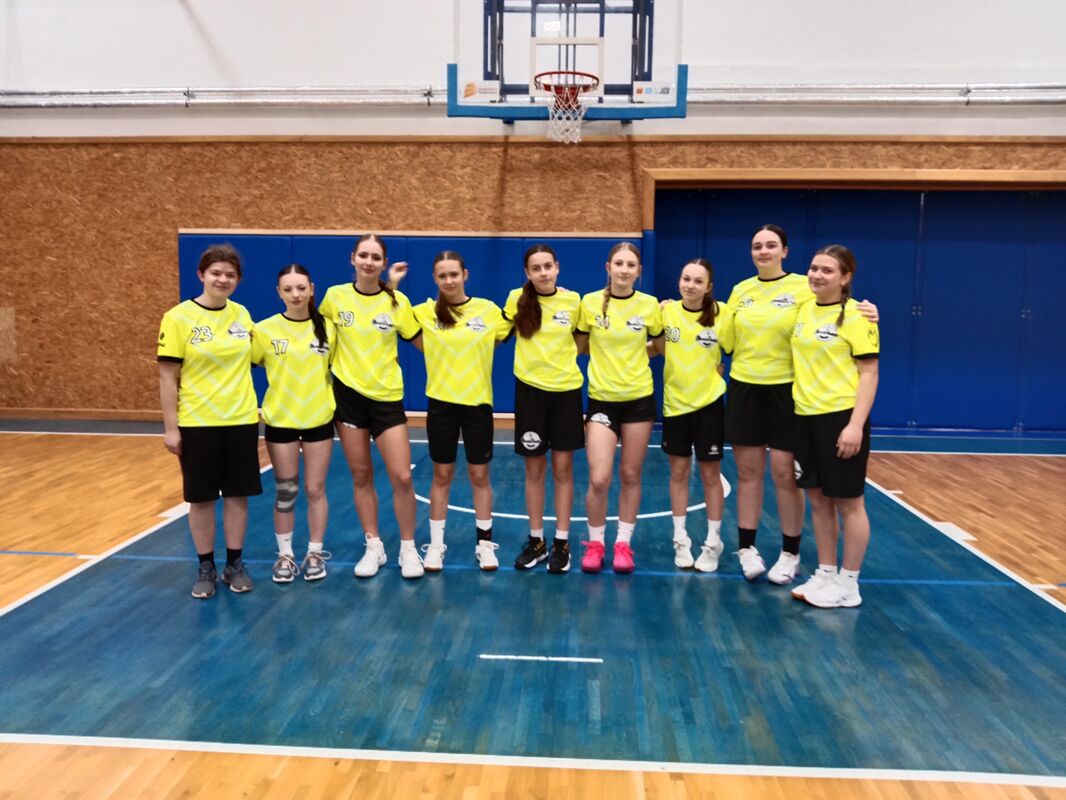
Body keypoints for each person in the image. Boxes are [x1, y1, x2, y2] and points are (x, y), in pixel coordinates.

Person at [725, 225, 877, 584]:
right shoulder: (740, 291)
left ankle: (790, 553)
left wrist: (869, 311)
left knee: (785, 475)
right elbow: (721, 333)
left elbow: (839, 307)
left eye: (771, 245)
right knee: (747, 473)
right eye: (757, 246)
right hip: (745, 387)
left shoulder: (804, 289)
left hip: (788, 392)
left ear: (785, 251)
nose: (763, 251)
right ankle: (747, 548)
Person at [318, 234, 425, 580]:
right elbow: (317, 339)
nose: (368, 261)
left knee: (402, 476)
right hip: (348, 398)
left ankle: (408, 548)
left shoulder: (397, 301)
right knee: (361, 474)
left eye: (375, 257)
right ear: (352, 258)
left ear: (383, 263)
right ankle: (373, 545)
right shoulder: (334, 297)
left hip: (386, 398)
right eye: (363, 255)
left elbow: (422, 342)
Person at [158, 243, 261, 598]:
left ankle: (235, 563)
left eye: (230, 275)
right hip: (197, 422)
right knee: (201, 499)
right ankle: (206, 566)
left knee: (237, 495)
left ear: (238, 280)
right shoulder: (177, 318)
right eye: (216, 273)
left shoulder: (242, 314)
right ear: (201, 275)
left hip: (241, 419)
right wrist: (171, 428)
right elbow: (167, 377)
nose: (223, 279)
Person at [789, 245, 879, 608]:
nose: (817, 275)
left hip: (840, 417)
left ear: (845, 278)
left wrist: (855, 425)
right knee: (817, 498)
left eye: (827, 270)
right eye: (813, 268)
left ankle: (849, 583)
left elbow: (869, 373)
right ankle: (826, 573)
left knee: (849, 502)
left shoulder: (858, 316)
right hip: (804, 415)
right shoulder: (803, 308)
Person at [409, 251, 510, 571]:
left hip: (478, 405)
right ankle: (436, 545)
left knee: (480, 475)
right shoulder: (424, 312)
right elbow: (387, 309)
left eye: (454, 274)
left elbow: (521, 315)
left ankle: (485, 544)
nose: (449, 280)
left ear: (465, 274)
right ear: (435, 279)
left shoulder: (488, 310)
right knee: (441, 474)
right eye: (442, 276)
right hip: (441, 406)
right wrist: (392, 282)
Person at [574, 242, 664, 574]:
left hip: (639, 399)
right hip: (602, 399)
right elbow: (579, 346)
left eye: (631, 265)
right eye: (619, 263)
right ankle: (595, 544)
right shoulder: (589, 303)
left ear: (639, 271)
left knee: (630, 474)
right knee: (599, 478)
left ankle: (623, 544)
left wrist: (638, 354)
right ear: (608, 267)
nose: (624, 269)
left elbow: (662, 346)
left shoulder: (650, 305)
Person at [251, 264, 335, 583]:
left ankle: (314, 552)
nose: (295, 294)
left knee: (315, 489)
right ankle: (285, 555)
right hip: (281, 422)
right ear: (279, 293)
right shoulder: (264, 330)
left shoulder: (328, 328)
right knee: (286, 491)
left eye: (301, 288)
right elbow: (244, 365)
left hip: (318, 420)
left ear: (312, 289)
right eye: (288, 289)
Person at [650, 258, 734, 572]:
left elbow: (737, 348)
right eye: (686, 279)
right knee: (678, 474)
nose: (691, 285)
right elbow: (656, 347)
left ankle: (713, 542)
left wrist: (718, 369)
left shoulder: (723, 314)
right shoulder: (665, 312)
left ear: (709, 287)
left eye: (698, 281)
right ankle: (680, 539)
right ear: (679, 282)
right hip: (675, 405)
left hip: (709, 404)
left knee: (711, 475)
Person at [505, 245, 584, 574]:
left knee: (563, 470)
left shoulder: (574, 301)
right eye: (536, 268)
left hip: (566, 393)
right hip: (530, 394)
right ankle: (536, 540)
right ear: (527, 273)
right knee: (534, 470)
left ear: (557, 267)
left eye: (547, 266)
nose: (543, 272)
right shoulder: (516, 299)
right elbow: (496, 332)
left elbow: (582, 343)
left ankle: (561, 542)